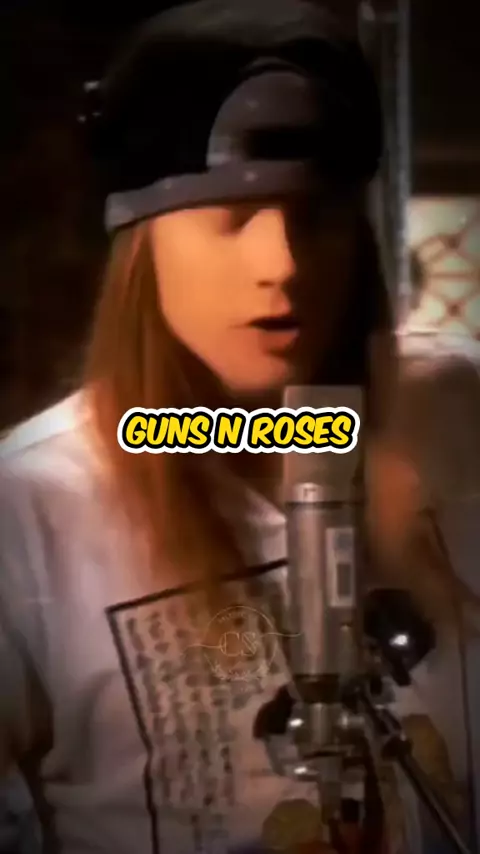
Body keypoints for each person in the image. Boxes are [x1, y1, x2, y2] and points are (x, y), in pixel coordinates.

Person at [0, 1, 476, 852]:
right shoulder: (30, 510)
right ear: (142, 240)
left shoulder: (456, 410)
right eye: (229, 219)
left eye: (315, 216)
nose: (281, 264)